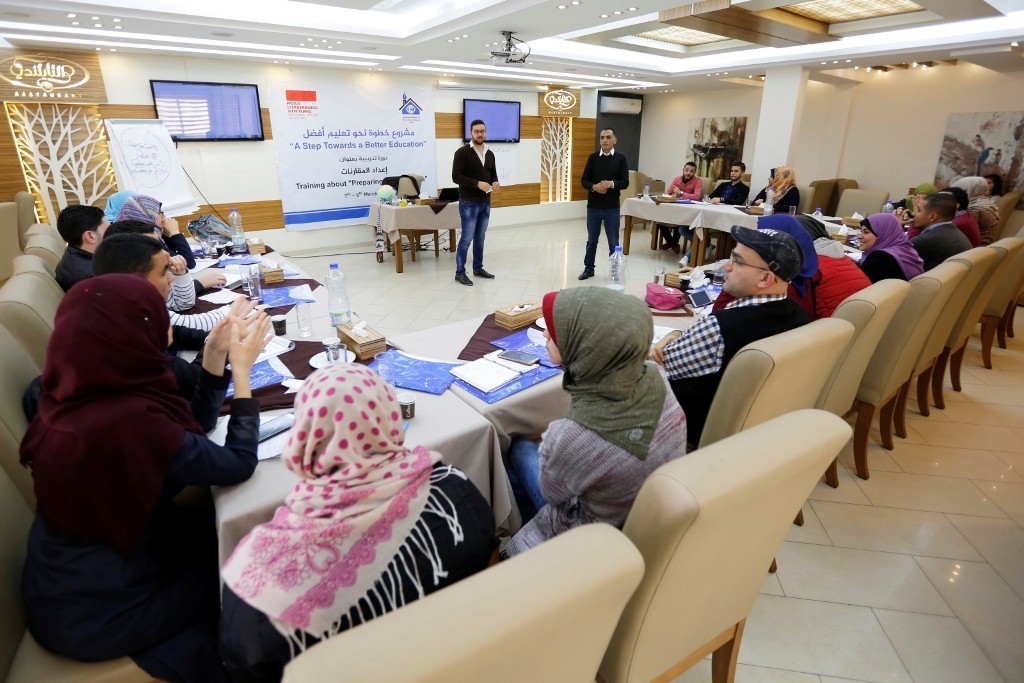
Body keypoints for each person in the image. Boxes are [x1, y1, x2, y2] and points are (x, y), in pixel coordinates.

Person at [20, 274, 270, 682]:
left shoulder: (73, 392)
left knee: (219, 533)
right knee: (254, 564)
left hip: (66, 584)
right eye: (155, 315)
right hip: (104, 611)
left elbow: (190, 432)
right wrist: (242, 374)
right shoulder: (125, 420)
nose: (167, 324)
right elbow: (238, 464)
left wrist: (213, 356)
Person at [219, 364, 496, 681]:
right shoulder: (455, 494)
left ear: (304, 438)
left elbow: (245, 664)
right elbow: (488, 575)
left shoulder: (257, 586)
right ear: (389, 419)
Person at [503, 287, 686, 557]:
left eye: (555, 331)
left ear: (586, 344)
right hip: (643, 514)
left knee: (516, 448)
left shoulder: (572, 434)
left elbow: (552, 495)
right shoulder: (655, 377)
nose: (545, 334)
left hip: (590, 541)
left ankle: (512, 541)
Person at [651, 226, 810, 444]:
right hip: (759, 434)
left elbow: (659, 362)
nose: (726, 266)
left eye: (737, 261)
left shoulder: (721, 327)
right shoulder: (800, 318)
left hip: (687, 433)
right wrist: (679, 333)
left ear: (765, 278)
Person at [94, 233, 232, 335]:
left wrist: (181, 275)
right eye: (163, 273)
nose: (170, 279)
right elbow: (192, 325)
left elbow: (182, 304)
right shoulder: (135, 313)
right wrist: (236, 309)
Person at [451, 118, 499, 286]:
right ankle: (459, 273)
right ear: (471, 133)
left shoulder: (490, 153)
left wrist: (495, 182)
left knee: (480, 237)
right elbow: (456, 177)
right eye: (477, 131)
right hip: (468, 203)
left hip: (485, 201)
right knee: (466, 238)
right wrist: (477, 183)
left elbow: (493, 173)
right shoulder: (462, 152)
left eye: (482, 131)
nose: (480, 134)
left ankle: (478, 268)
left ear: (485, 133)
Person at [578, 128, 630, 280]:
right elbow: (584, 180)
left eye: (608, 137)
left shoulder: (621, 158)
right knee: (591, 241)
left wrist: (611, 184)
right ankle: (589, 269)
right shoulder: (592, 158)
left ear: (615, 140)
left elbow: (625, 182)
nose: (605, 140)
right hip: (593, 207)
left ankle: (614, 272)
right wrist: (594, 187)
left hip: (612, 208)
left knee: (613, 242)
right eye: (602, 137)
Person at [113, 193, 198, 269]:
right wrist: (175, 233)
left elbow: (171, 253)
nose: (163, 216)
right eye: (159, 212)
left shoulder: (130, 233)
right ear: (147, 215)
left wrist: (167, 235)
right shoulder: (143, 239)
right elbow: (188, 263)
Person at [53, 204, 109, 292]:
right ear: (90, 236)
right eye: (108, 229)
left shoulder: (71, 252)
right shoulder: (92, 277)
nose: (112, 232)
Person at [910, 193, 972, 270]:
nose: (914, 213)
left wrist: (896, 226)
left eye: (918, 210)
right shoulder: (953, 230)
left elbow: (898, 258)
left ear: (932, 217)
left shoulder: (925, 240)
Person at [857, 213, 925, 283]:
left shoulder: (881, 260)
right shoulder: (907, 251)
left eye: (866, 232)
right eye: (861, 231)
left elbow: (858, 284)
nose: (859, 236)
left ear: (882, 233)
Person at [657, 161, 702, 252]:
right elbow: (668, 192)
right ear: (683, 170)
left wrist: (681, 192)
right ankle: (672, 243)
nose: (688, 173)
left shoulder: (698, 180)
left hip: (688, 211)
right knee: (659, 220)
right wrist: (669, 194)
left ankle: (672, 243)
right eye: (686, 170)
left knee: (680, 221)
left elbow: (697, 196)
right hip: (674, 207)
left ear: (695, 172)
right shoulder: (677, 179)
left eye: (691, 171)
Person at [952, 176, 1000, 245]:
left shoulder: (975, 208)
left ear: (970, 189)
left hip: (975, 247)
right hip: (981, 247)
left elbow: (956, 229)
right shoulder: (984, 203)